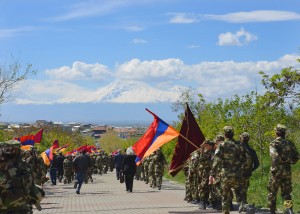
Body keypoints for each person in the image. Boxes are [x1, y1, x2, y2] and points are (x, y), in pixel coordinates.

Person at [209, 126, 250, 214]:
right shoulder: (240, 145)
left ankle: (226, 212)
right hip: (238, 174)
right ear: (233, 134)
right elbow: (248, 159)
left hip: (226, 175)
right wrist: (243, 169)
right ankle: (245, 207)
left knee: (225, 197)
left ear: (225, 134)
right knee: (240, 195)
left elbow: (216, 160)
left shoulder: (222, 145)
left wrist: (212, 174)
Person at [267, 124, 299, 214]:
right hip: (287, 170)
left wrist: (275, 167)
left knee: (272, 192)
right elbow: (296, 156)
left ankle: (272, 211)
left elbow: (275, 156)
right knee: (286, 193)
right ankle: (289, 210)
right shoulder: (290, 143)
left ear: (276, 132)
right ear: (284, 133)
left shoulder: (273, 143)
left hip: (276, 171)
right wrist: (290, 161)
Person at [238, 132, 259, 212]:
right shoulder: (252, 151)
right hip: (246, 173)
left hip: (237, 173)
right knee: (244, 189)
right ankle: (287, 208)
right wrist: (251, 170)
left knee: (237, 189)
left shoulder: (237, 149)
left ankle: (242, 205)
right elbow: (257, 164)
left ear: (241, 138)